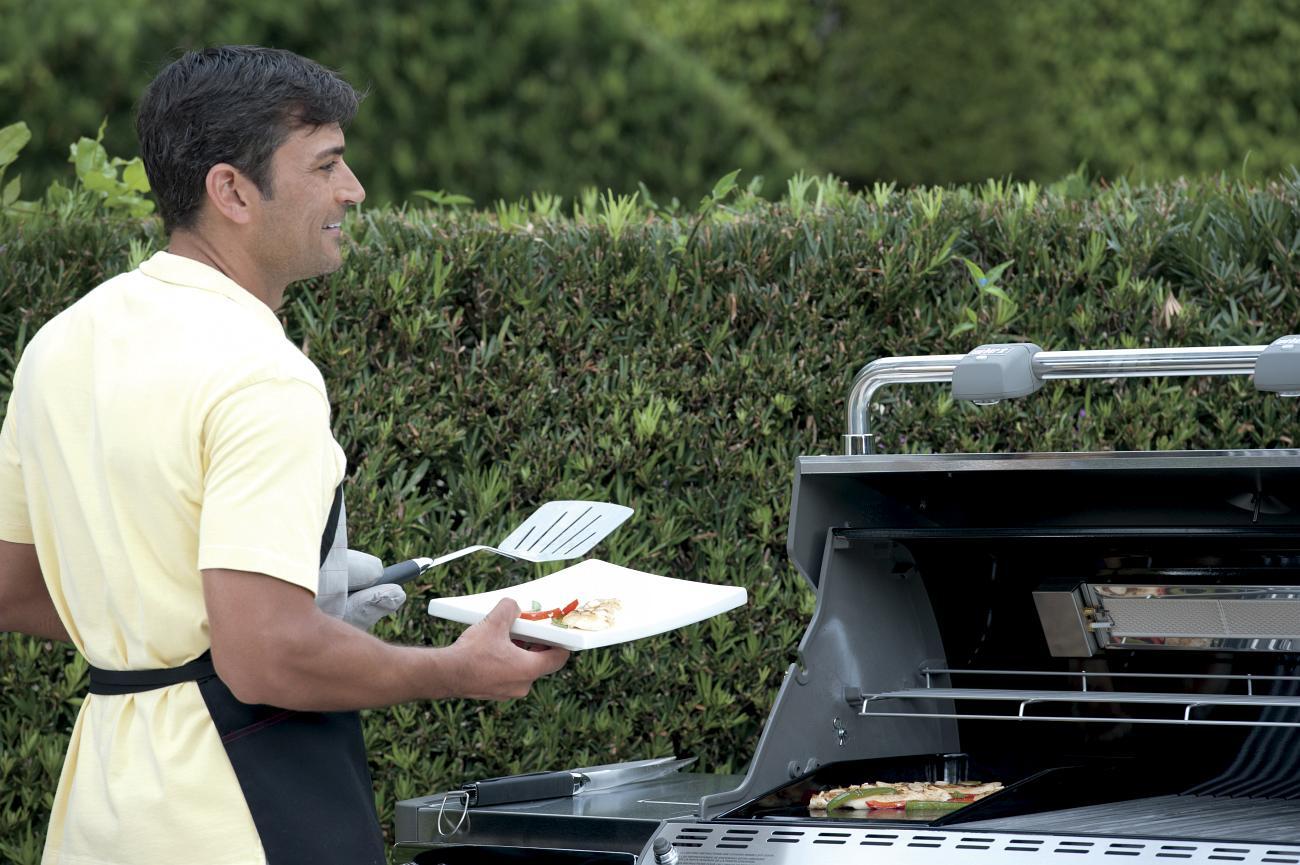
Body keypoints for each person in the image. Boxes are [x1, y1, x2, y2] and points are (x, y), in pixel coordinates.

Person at [0, 45, 569, 865]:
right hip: (242, 813)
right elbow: (264, 655)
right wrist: (452, 668)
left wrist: (191, 613)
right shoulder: (263, 374)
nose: (353, 190)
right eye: (326, 165)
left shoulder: (61, 344)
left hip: (101, 816)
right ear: (230, 189)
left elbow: (17, 589)